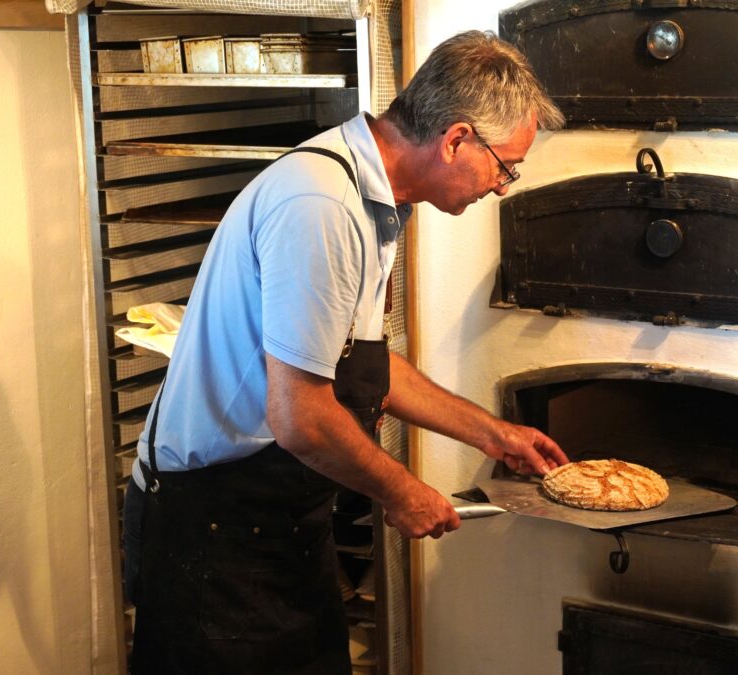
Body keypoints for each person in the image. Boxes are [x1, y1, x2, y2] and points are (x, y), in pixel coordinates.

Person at [123, 29, 568, 674]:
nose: (502, 187)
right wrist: (402, 490)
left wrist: (493, 435)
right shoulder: (321, 204)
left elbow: (362, 369)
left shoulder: (376, 199)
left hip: (277, 521)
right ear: (456, 139)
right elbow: (301, 416)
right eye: (505, 167)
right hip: (210, 532)